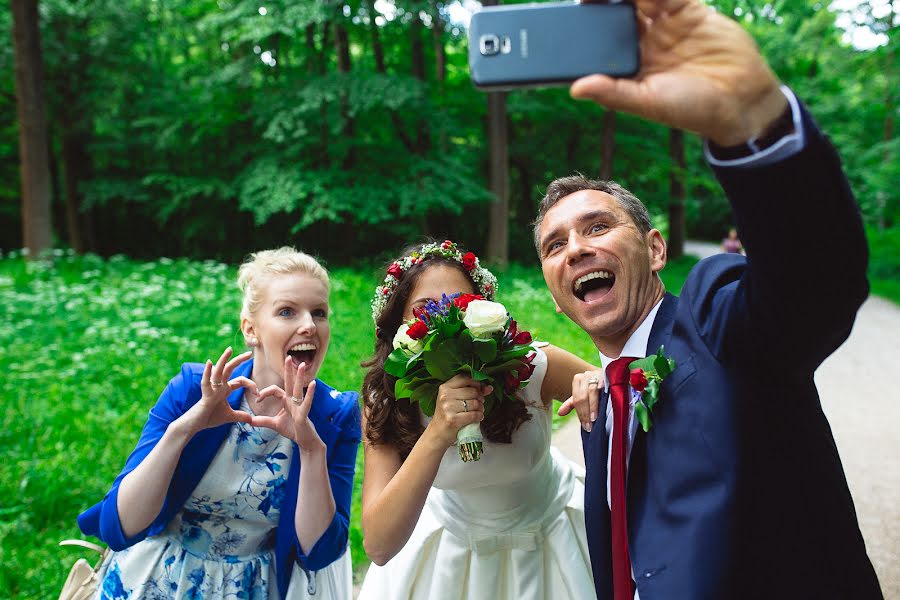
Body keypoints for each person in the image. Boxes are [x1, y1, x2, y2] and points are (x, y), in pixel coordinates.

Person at [538, 1, 883, 598]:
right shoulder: (597, 403)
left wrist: (753, 122)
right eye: (554, 244)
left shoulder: (715, 316)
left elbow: (813, 284)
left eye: (598, 227)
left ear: (655, 249)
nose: (575, 250)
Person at [77, 247, 361, 599]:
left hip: (250, 588)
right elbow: (120, 526)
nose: (308, 325)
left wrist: (310, 449)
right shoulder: (192, 390)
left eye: (319, 312)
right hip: (154, 579)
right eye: (287, 311)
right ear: (251, 329)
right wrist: (183, 429)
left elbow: (319, 553)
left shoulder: (335, 415)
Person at [357, 240, 598, 600]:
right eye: (425, 311)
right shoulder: (388, 397)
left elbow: (621, 394)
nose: (445, 324)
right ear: (398, 326)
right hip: (449, 561)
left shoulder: (531, 366)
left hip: (553, 543)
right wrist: (438, 433)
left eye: (461, 307)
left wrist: (595, 386)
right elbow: (378, 545)